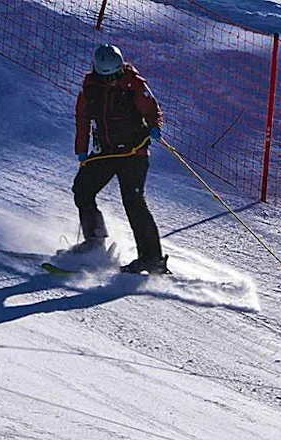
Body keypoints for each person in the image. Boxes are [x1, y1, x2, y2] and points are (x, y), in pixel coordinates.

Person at [72, 44, 168, 274]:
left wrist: (154, 126)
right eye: (106, 78)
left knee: (133, 201)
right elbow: (82, 118)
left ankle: (152, 259)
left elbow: (152, 110)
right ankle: (94, 241)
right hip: (106, 152)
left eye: (115, 76)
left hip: (134, 152)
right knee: (82, 190)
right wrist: (81, 149)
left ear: (120, 69)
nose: (111, 82)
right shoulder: (90, 88)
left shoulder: (134, 85)